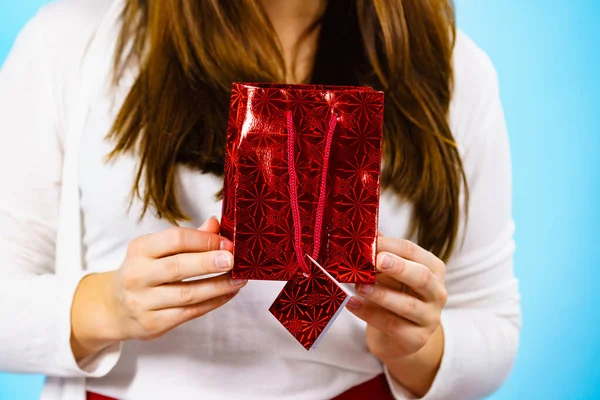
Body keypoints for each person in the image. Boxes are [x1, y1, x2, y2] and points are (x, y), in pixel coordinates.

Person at [0, 0, 521, 399]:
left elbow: (493, 325)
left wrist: (418, 347)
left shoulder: (449, 67)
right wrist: (104, 306)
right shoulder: (71, 42)